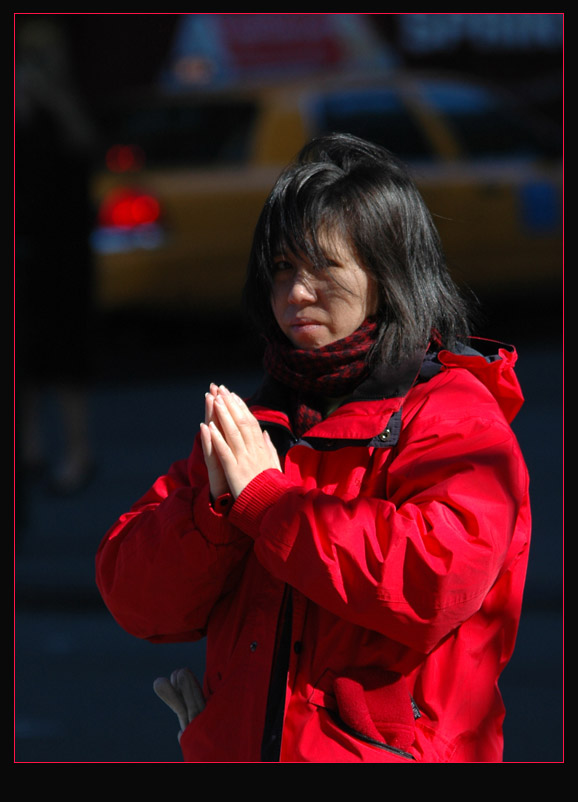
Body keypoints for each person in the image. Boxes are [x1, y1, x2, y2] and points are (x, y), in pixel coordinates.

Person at [96, 133, 531, 763]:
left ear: (387, 275)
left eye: (323, 267)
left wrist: (269, 505)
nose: (296, 293)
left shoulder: (454, 415)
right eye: (281, 269)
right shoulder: (256, 422)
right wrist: (216, 514)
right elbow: (132, 597)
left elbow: (434, 581)